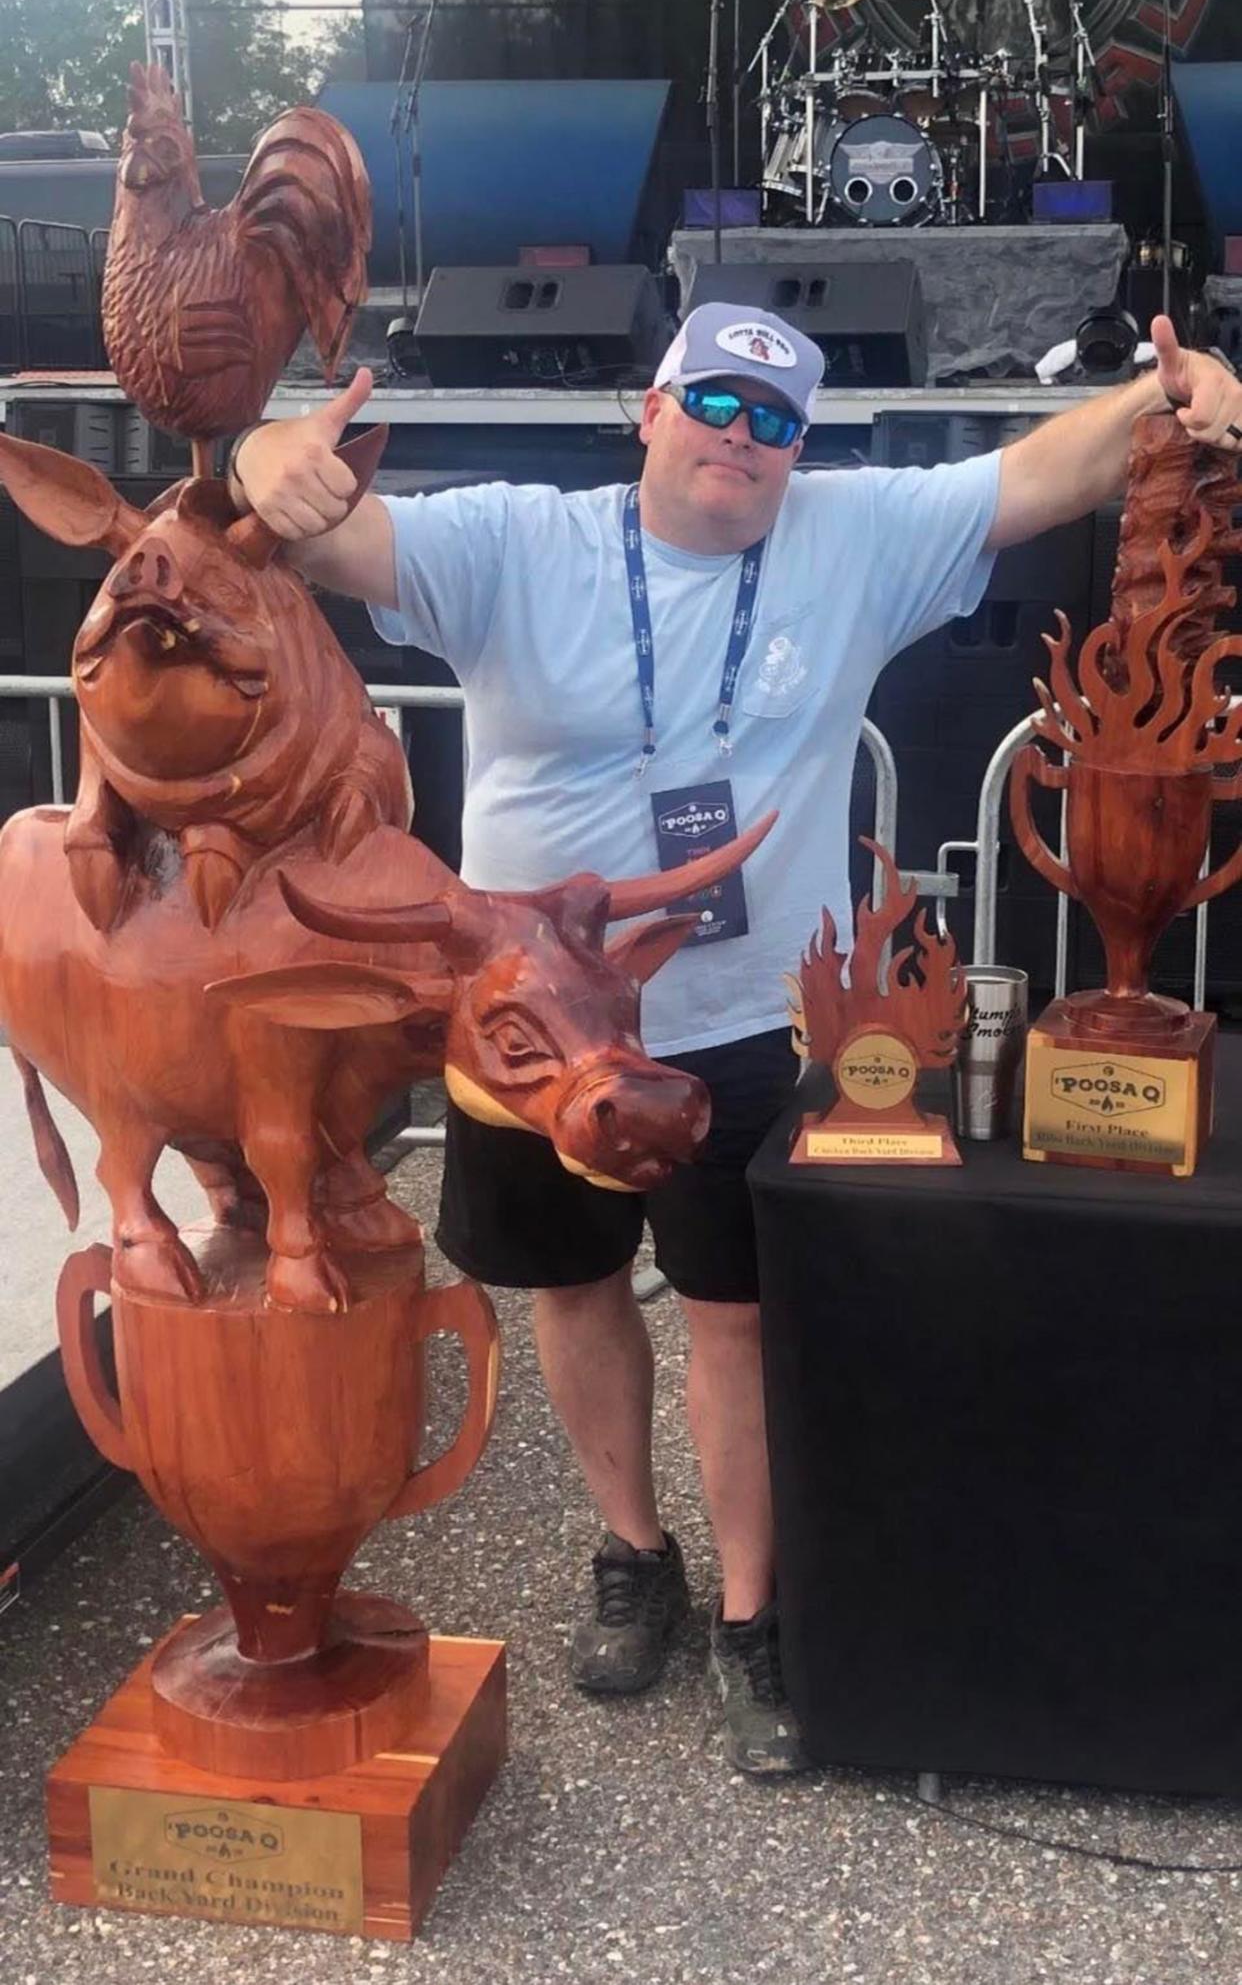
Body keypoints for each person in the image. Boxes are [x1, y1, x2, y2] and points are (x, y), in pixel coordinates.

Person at [228, 302, 1242, 1776]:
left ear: (798, 448)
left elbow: (1051, 469)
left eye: (776, 421)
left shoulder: (849, 534)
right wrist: (267, 457)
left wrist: (1184, 391)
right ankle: (632, 1555)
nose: (741, 440)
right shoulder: (518, 541)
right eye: (714, 403)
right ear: (650, 410)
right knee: (573, 1290)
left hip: (753, 1019)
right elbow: (320, 529)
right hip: (538, 1026)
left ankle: (751, 1613)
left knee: (734, 1315)